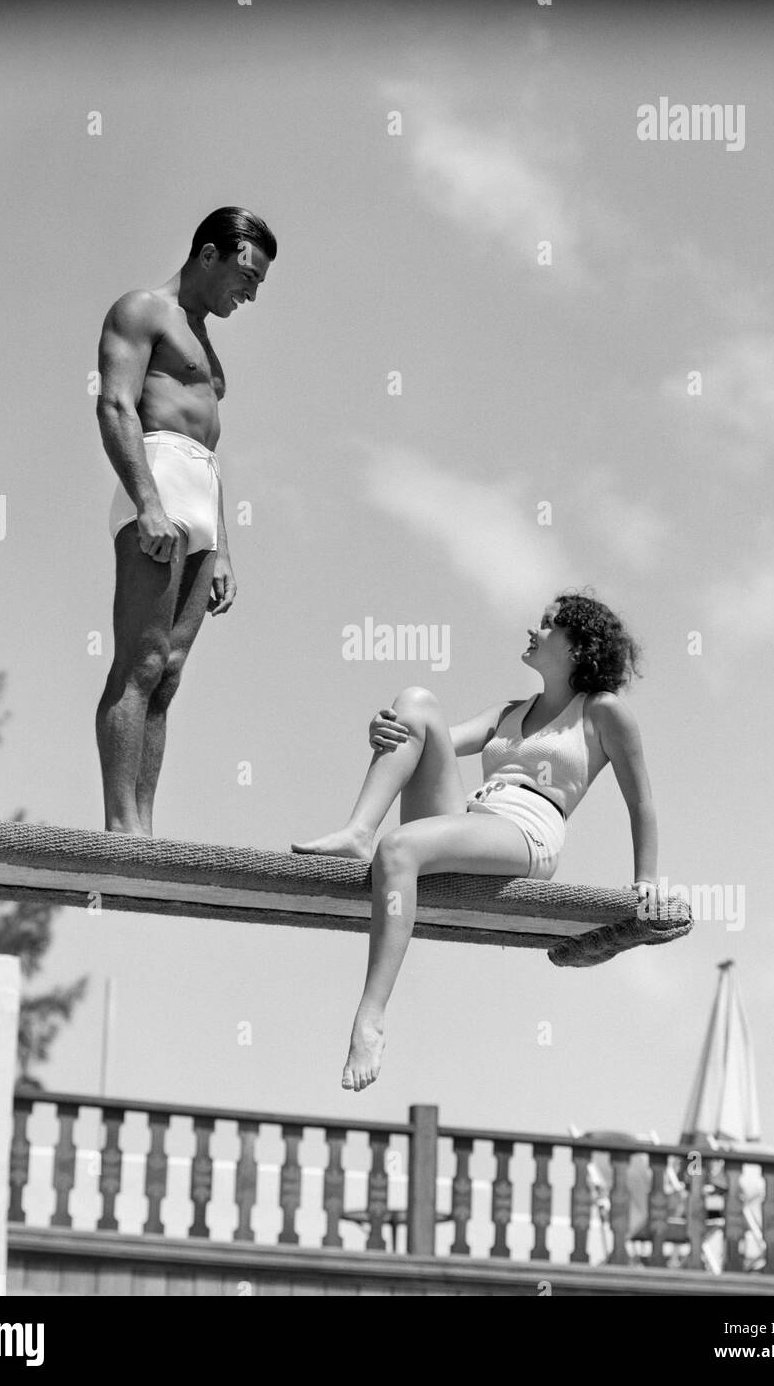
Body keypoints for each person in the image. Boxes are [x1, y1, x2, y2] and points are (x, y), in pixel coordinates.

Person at [293, 592, 658, 1092]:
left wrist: (645, 882)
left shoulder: (602, 712)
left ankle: (370, 1018)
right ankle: (359, 831)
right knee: (416, 703)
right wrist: (385, 729)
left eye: (549, 625)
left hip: (527, 833)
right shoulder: (510, 711)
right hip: (471, 817)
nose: (534, 628)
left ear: (577, 648)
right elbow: (424, 736)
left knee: (398, 849)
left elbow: (641, 803)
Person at [95, 207, 276, 834]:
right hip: (158, 481)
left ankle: (146, 823)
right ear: (208, 255)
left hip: (200, 492)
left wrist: (223, 547)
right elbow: (115, 404)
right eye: (246, 276)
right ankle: (122, 828)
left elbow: (211, 452)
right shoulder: (143, 310)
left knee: (169, 673)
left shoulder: (206, 341)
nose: (250, 293)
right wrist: (146, 503)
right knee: (139, 661)